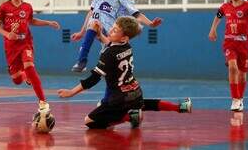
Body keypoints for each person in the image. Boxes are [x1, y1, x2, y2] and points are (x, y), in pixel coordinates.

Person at [58, 16, 192, 129]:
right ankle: (180, 107)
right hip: (135, 91)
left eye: (115, 30)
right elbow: (110, 43)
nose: (110, 30)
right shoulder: (126, 46)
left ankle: (129, 116)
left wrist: (71, 92)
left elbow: (93, 79)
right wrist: (99, 35)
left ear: (124, 38)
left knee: (89, 121)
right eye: (112, 27)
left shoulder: (108, 54)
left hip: (119, 99)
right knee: (144, 103)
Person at [71, 0, 162, 72]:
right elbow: (91, 12)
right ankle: (82, 61)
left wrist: (151, 23)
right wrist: (82, 32)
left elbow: (137, 14)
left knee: (111, 67)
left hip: (110, 33)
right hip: (96, 26)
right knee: (94, 23)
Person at [0, 0, 60, 112]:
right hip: (11, 46)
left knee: (29, 66)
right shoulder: (3, 7)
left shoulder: (27, 7)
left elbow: (32, 21)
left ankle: (43, 102)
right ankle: (23, 75)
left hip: (26, 43)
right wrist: (7, 34)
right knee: (17, 80)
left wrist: (48, 23)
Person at [208, 0, 248, 112]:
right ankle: (235, 99)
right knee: (232, 67)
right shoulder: (225, 7)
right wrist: (213, 29)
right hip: (229, 44)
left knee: (242, 73)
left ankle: (240, 98)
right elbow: (218, 16)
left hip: (244, 46)